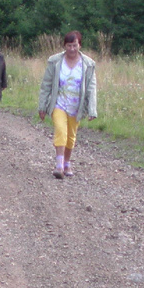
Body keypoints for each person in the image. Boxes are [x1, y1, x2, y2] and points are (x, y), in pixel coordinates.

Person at [37, 31, 97, 179]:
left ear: (79, 45)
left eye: (75, 45)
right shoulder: (55, 61)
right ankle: (59, 166)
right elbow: (46, 85)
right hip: (59, 103)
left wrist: (92, 109)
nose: (72, 49)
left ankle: (67, 163)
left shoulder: (88, 64)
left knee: (71, 136)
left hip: (76, 107)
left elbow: (91, 87)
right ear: (64, 46)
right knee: (60, 130)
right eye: (69, 46)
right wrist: (42, 106)